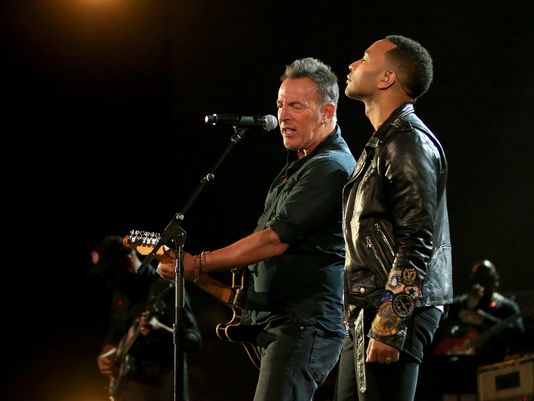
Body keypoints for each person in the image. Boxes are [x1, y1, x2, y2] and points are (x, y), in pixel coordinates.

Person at [156, 57, 357, 401]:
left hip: (303, 324)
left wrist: (199, 263)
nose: (283, 115)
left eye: (296, 106)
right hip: (280, 322)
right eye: (280, 104)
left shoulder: (331, 168)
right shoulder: (299, 166)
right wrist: (193, 273)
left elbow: (273, 241)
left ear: (327, 112)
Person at [334, 35, 453, 401]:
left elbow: (417, 237)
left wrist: (390, 322)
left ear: (387, 78)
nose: (352, 65)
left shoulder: (407, 142)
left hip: (393, 310)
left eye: (365, 58)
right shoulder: (384, 143)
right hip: (369, 309)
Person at [90, 235, 202, 401]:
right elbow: (117, 330)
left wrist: (162, 331)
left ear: (127, 260)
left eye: (109, 273)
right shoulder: (119, 294)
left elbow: (195, 340)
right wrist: (107, 353)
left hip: (163, 387)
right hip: (129, 388)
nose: (107, 282)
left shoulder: (166, 287)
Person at [422, 259, 525, 398]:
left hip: (494, 372)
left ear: (495, 280)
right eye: (478, 278)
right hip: (455, 374)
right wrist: (467, 306)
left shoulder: (506, 307)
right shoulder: (458, 304)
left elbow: (518, 337)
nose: (482, 283)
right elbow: (436, 331)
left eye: (486, 278)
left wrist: (483, 320)